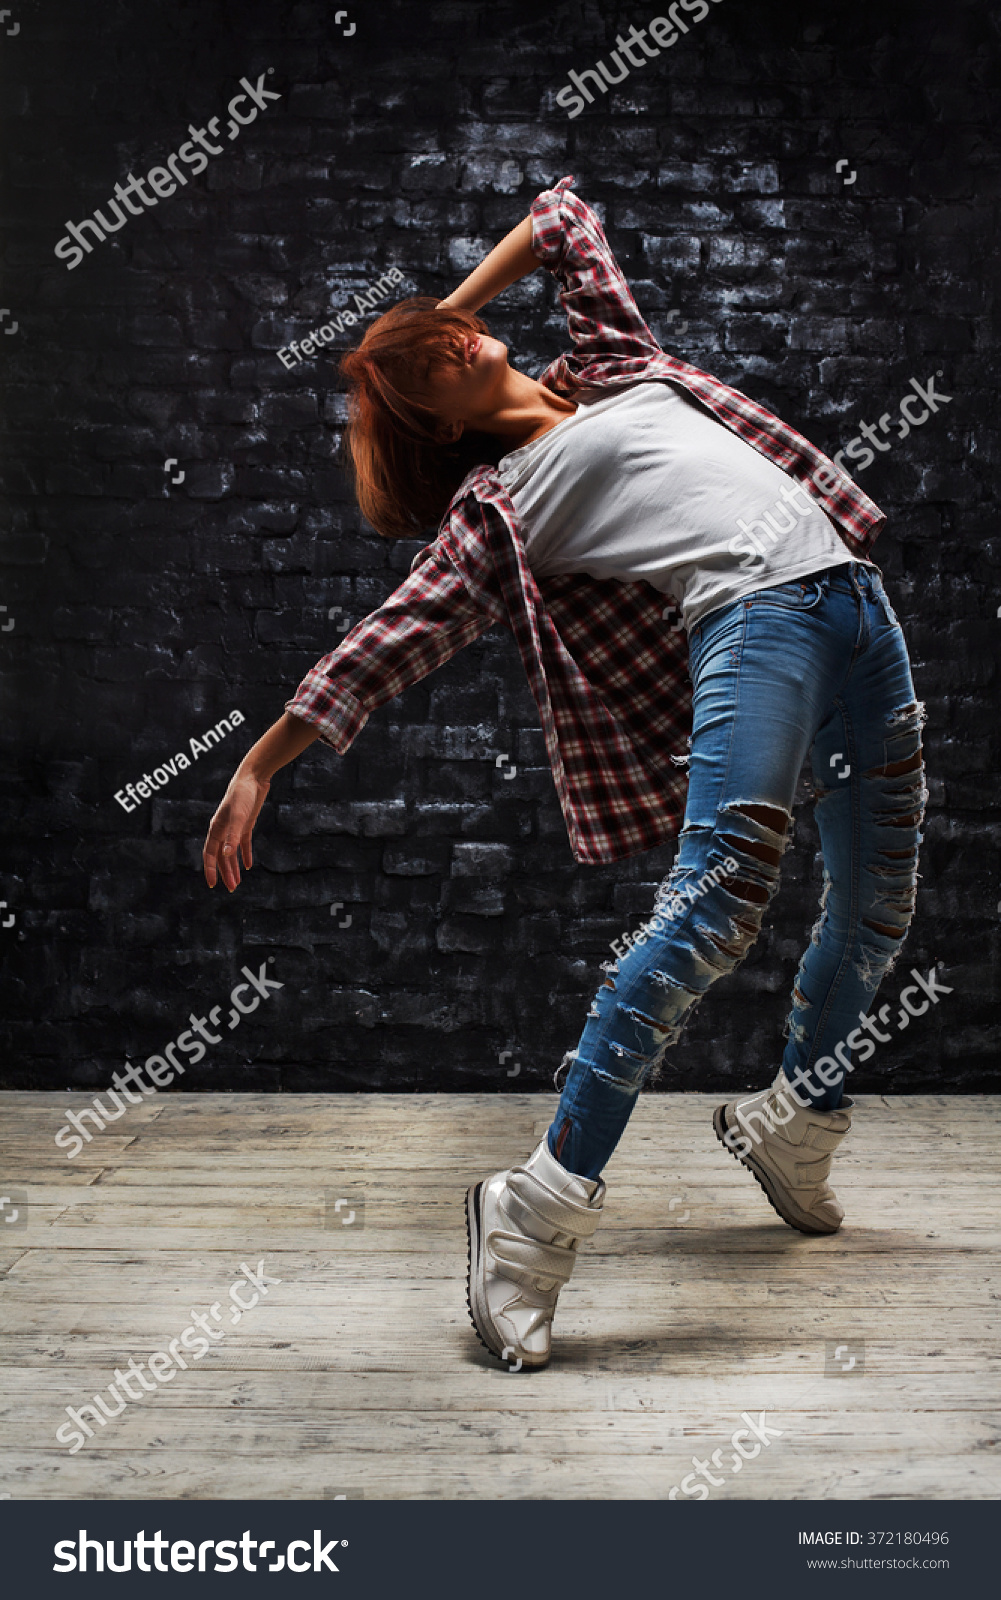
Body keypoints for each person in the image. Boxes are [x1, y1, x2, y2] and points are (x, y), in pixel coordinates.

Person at [202, 176, 926, 1371]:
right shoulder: (495, 511)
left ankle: (796, 1117)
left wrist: (441, 303)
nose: (458, 343)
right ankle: (534, 1209)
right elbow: (385, 641)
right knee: (711, 912)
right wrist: (262, 759)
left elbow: (562, 220)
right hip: (752, 624)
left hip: (856, 605)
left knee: (877, 902)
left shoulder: (611, 362)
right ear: (433, 419)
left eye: (450, 335)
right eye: (431, 360)